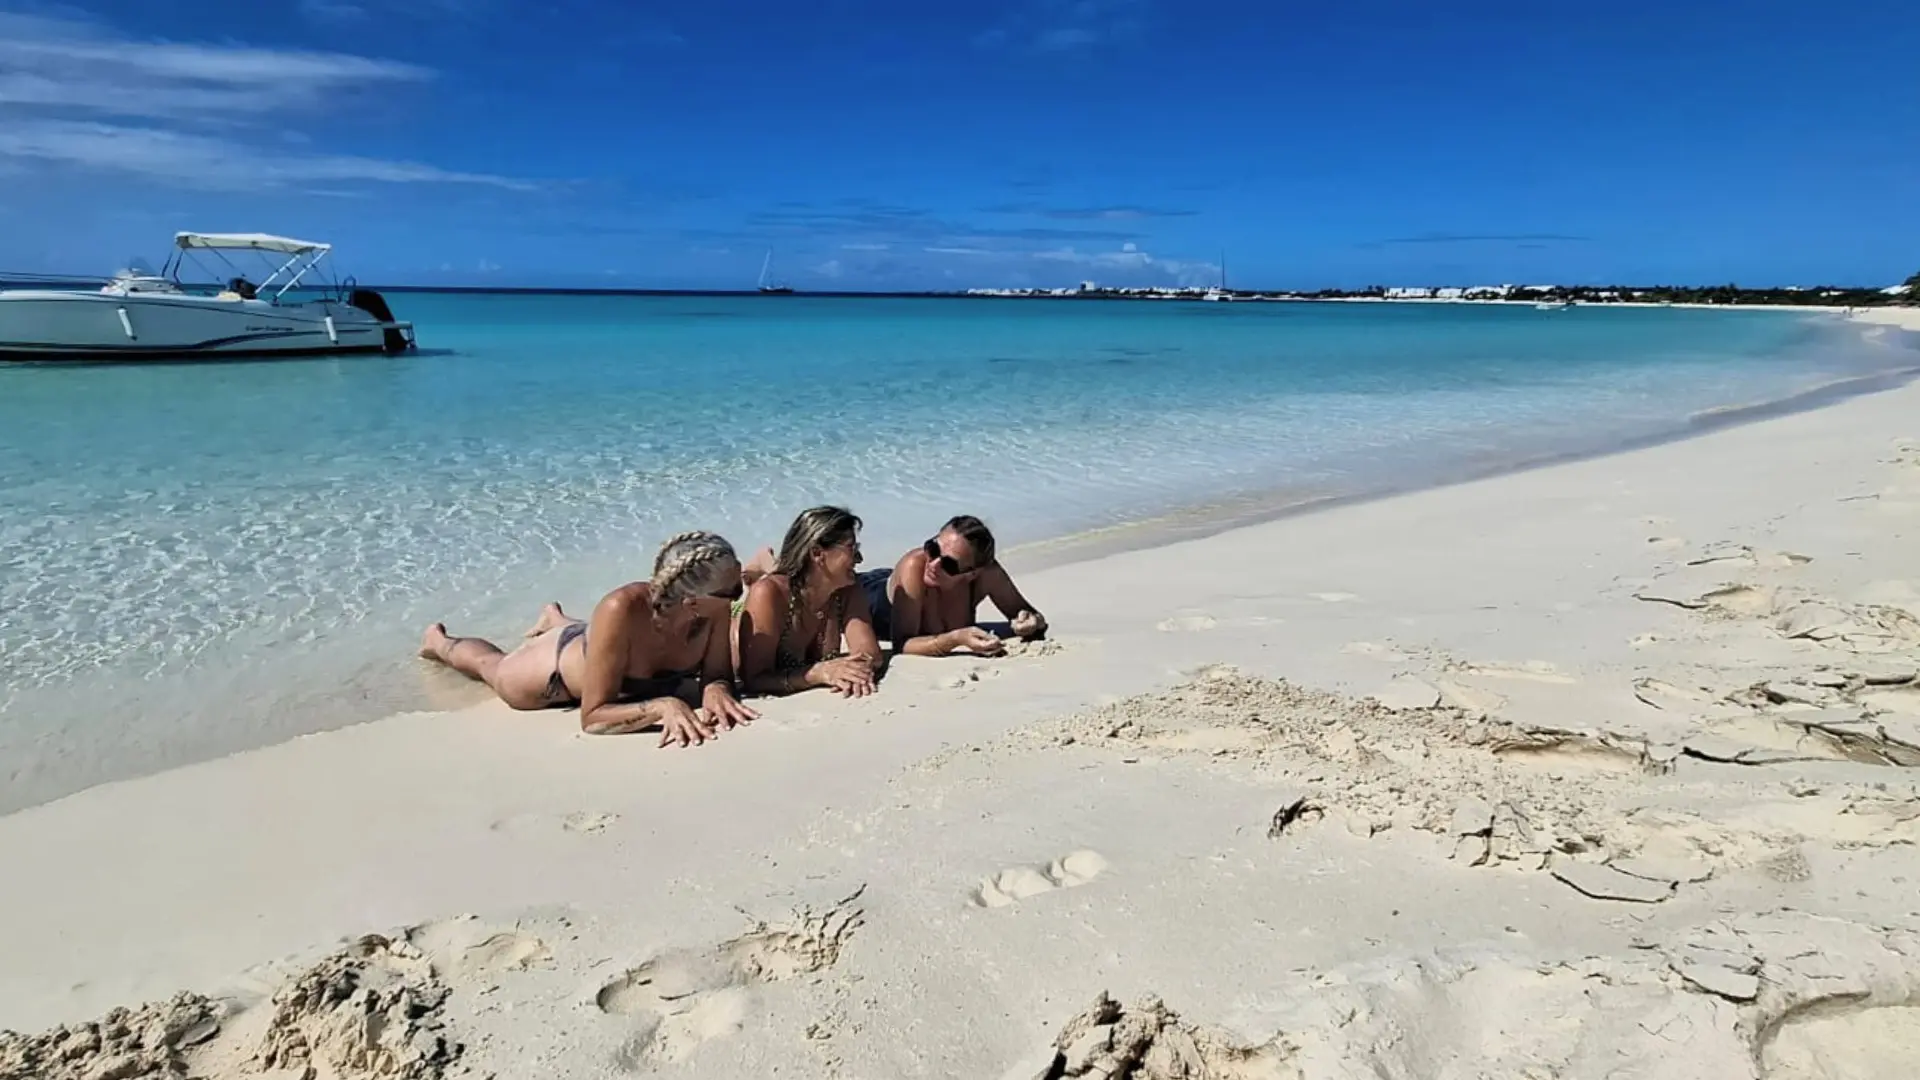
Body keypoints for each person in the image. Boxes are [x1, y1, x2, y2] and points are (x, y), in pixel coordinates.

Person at [417, 531, 759, 746]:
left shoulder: (712, 609)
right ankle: (438, 641)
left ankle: (555, 617)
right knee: (491, 667)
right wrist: (662, 706)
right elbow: (592, 716)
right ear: (692, 601)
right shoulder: (620, 608)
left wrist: (716, 689)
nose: (739, 592)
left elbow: (718, 675)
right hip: (553, 675)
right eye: (732, 589)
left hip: (595, 641)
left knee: (593, 634)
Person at [733, 506, 885, 697]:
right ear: (817, 553)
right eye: (851, 549)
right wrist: (819, 672)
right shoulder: (769, 594)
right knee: (767, 585)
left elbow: (871, 654)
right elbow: (754, 679)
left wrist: (857, 669)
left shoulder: (846, 590)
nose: (860, 559)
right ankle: (763, 563)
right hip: (739, 612)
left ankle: (767, 562)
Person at [858, 514, 1048, 657]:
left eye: (949, 565)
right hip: (868, 592)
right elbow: (902, 644)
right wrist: (955, 639)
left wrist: (1030, 622)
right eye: (932, 549)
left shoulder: (987, 573)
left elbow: (1027, 615)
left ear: (972, 573)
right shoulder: (914, 567)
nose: (932, 564)